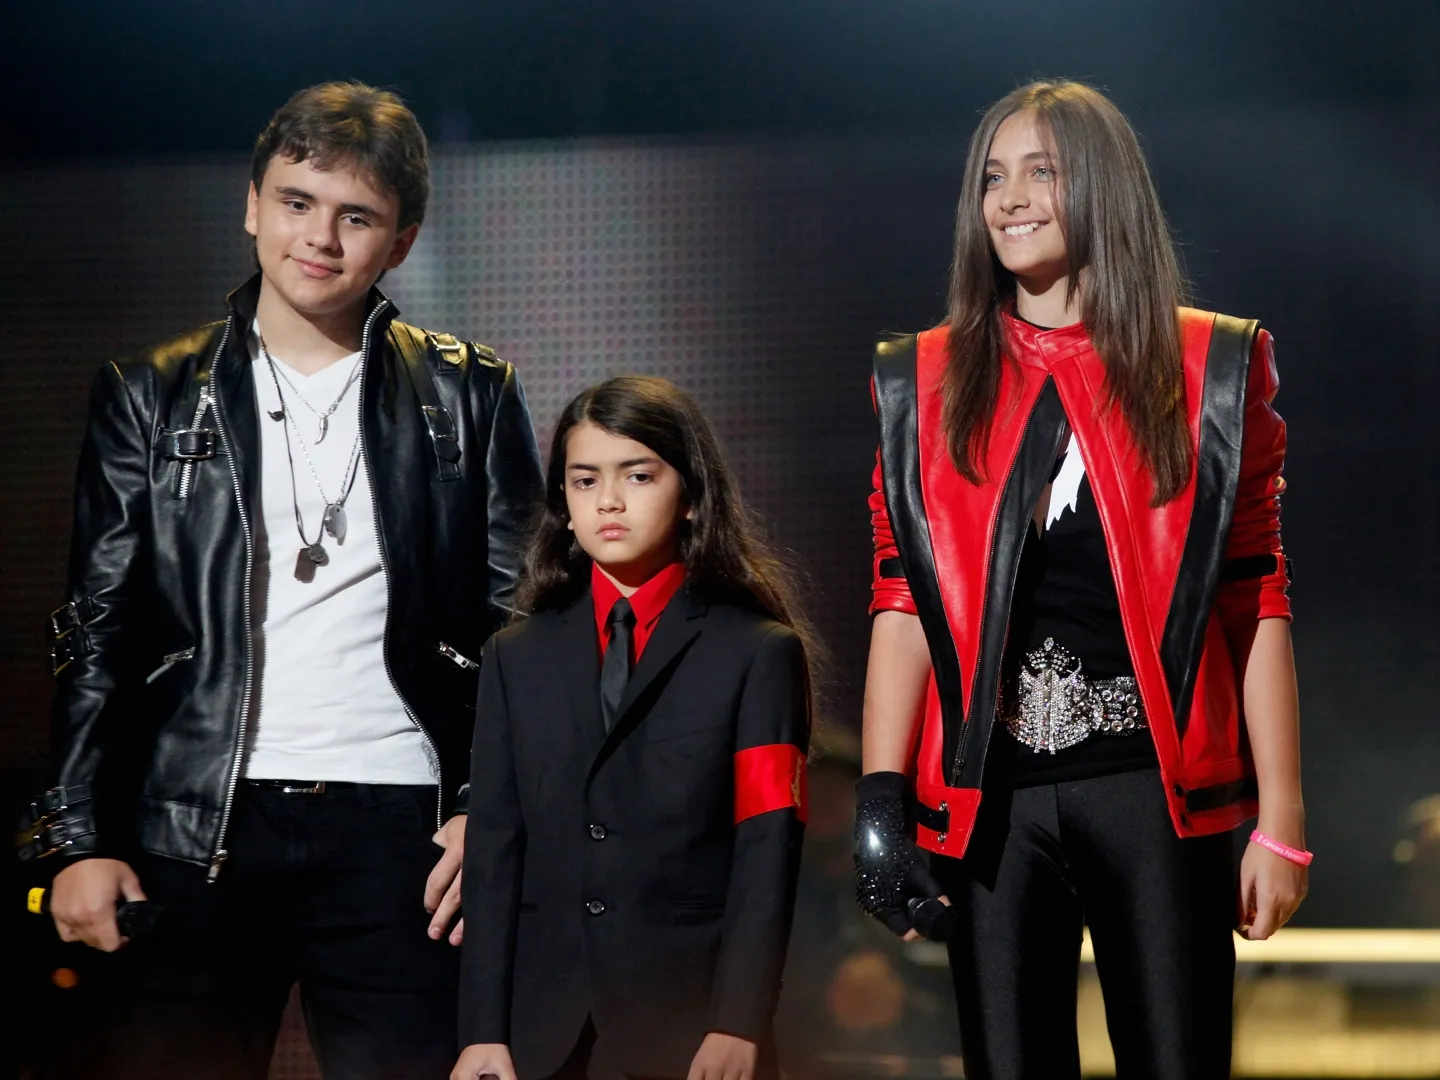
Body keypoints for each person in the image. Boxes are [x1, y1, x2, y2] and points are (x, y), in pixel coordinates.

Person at [22, 81, 544, 1079]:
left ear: (400, 240)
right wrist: (73, 838)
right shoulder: (150, 391)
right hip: (196, 821)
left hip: (406, 828)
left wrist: (495, 810)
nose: (321, 237)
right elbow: (93, 626)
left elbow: (522, 624)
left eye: (357, 216)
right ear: (253, 203)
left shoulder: (471, 391)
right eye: (298, 201)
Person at [852, 80, 1309, 1079]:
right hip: (992, 805)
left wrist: (1284, 821)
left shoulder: (1214, 366)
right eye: (991, 178)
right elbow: (901, 595)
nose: (1009, 200)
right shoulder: (916, 381)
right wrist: (882, 798)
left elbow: (1255, 590)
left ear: (1100, 186)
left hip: (1157, 791)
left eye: (1041, 172)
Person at [451, 376, 812, 1080]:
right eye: (584, 481)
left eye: (638, 476)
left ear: (690, 493)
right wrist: (481, 1030)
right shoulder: (515, 657)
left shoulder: (755, 651)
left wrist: (738, 1021)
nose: (608, 501)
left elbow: (766, 849)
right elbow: (493, 849)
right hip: (539, 1033)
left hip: (689, 1028)